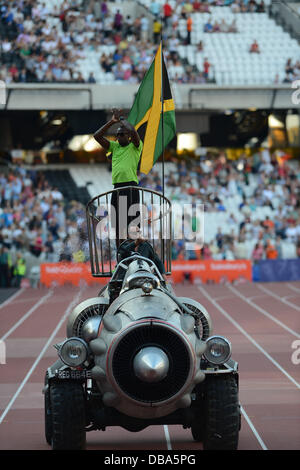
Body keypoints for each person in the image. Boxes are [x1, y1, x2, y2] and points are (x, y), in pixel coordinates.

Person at [93, 108, 143, 246]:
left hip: (131, 187)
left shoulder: (135, 146)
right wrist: (111, 122)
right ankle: (121, 254)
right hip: (117, 189)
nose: (118, 136)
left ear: (128, 137)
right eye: (117, 134)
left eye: (121, 134)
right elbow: (97, 136)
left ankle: (135, 254)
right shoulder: (114, 147)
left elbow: (133, 131)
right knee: (118, 226)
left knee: (133, 225)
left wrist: (121, 120)